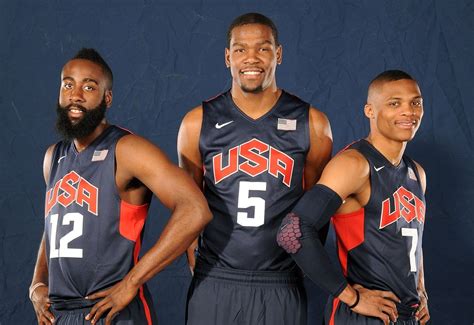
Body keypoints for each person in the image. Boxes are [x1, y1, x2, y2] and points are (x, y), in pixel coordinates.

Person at [29, 48, 212, 325]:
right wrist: (37, 284)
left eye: (89, 87)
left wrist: (131, 282)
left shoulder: (127, 150)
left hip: (113, 312)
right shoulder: (53, 157)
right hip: (61, 315)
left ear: (107, 97)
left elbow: (196, 209)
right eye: (68, 84)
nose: (75, 95)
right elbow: (53, 225)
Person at [177, 12, 333, 325]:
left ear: (278, 54)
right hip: (215, 279)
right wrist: (194, 257)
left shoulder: (312, 123)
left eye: (262, 49)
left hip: (280, 282)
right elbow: (188, 203)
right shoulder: (197, 122)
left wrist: (301, 261)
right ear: (227, 57)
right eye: (240, 50)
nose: (251, 59)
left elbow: (318, 211)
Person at [277, 70, 430, 324]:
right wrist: (351, 297)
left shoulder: (417, 173)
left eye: (416, 103)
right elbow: (292, 230)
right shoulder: (354, 164)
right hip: (362, 315)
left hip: (407, 315)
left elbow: (412, 238)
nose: (409, 112)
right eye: (395, 103)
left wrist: (421, 290)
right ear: (370, 111)